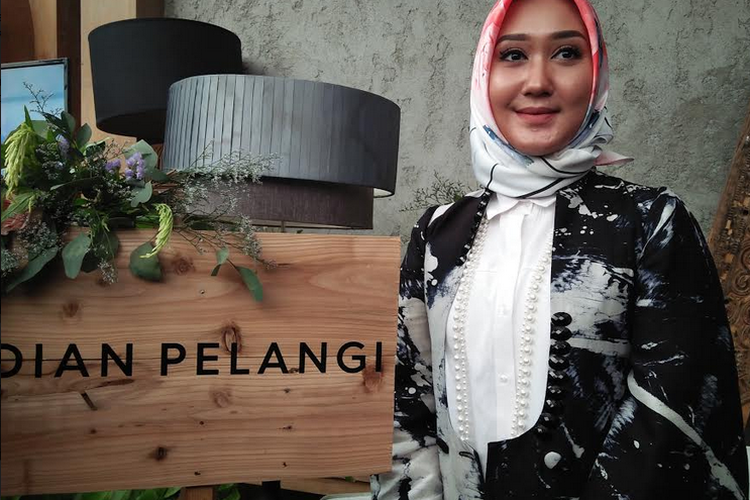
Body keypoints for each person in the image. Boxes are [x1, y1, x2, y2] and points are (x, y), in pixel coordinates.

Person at [370, 0, 749, 498]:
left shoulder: (650, 222)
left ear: (596, 76)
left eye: (567, 52)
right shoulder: (438, 232)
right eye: (512, 55)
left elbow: (674, 418)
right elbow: (404, 400)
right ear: (483, 73)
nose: (537, 82)